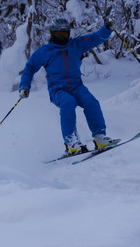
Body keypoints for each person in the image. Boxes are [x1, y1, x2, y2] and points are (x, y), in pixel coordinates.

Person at [18, 17, 117, 156]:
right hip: (57, 90)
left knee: (91, 102)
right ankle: (71, 143)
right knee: (68, 102)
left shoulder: (76, 45)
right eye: (59, 34)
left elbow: (95, 38)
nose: (62, 37)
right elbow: (29, 68)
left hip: (77, 87)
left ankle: (100, 138)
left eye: (65, 34)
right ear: (52, 34)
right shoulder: (45, 51)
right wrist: (24, 86)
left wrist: (107, 29)